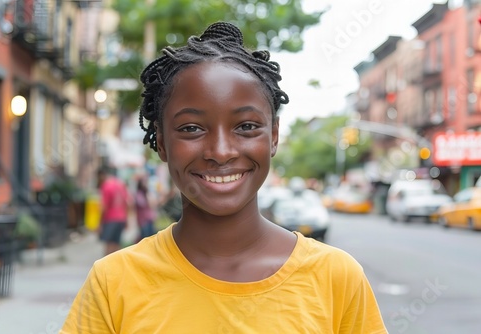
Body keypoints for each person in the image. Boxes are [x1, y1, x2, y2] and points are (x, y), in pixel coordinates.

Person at [60, 22, 388, 333]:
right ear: (160, 141)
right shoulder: (113, 282)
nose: (220, 151)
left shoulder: (337, 279)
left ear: (273, 136)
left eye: (246, 127)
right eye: (191, 128)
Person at [97, 167, 130, 256]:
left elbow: (104, 207)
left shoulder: (106, 186)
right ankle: (116, 268)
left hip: (110, 219)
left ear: (102, 175)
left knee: (109, 245)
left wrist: (99, 223)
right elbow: (126, 203)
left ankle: (106, 268)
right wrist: (126, 220)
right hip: (121, 218)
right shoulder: (120, 184)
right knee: (117, 244)